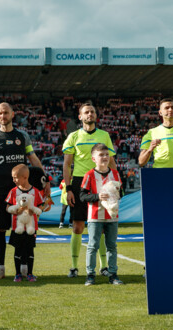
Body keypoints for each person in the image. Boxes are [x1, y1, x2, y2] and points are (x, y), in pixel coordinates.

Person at [0, 102, 50, 280]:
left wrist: (46, 180)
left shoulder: (22, 136)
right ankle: (1, 267)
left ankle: (24, 267)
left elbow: (33, 159)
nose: (2, 116)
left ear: (12, 114)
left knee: (25, 227)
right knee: (0, 229)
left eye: (5, 113)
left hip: (23, 193)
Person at [62, 102, 116, 278]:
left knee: (100, 226)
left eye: (92, 111)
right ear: (80, 116)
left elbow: (112, 162)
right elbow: (67, 164)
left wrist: (116, 182)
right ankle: (74, 266)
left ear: (96, 115)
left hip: (101, 181)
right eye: (86, 112)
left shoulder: (104, 135)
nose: (90, 114)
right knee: (78, 226)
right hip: (79, 183)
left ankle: (104, 266)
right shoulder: (73, 136)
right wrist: (69, 188)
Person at [80, 144, 123, 286]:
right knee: (93, 246)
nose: (104, 157)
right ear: (93, 158)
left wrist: (116, 194)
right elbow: (82, 196)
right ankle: (90, 275)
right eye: (101, 155)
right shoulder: (89, 175)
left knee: (112, 246)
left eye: (106, 154)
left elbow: (121, 193)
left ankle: (113, 275)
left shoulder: (115, 174)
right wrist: (98, 196)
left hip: (112, 215)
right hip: (95, 215)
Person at [5, 164, 44, 282]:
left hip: (31, 227)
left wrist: (36, 211)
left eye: (15, 177)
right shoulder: (13, 192)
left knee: (29, 249)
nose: (13, 180)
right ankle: (17, 274)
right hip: (17, 227)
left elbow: (40, 207)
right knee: (18, 249)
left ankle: (30, 273)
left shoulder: (35, 192)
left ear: (25, 177)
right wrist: (17, 210)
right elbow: (8, 207)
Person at [138, 98, 173, 168]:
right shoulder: (152, 133)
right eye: (167, 108)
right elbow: (141, 162)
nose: (170, 110)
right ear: (160, 112)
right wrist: (150, 149)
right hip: (160, 174)